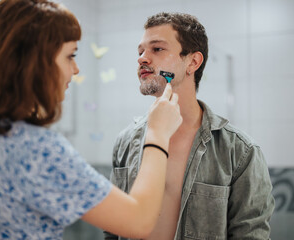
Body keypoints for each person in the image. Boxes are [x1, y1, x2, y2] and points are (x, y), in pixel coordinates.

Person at [0, 1, 183, 239]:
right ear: (33, 62)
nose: (76, 69)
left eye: (157, 49)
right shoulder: (35, 150)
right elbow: (139, 221)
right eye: (70, 56)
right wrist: (157, 134)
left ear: (193, 62)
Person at [105, 12, 275, 240]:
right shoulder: (125, 142)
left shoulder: (240, 152)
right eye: (140, 51)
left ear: (193, 62)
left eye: (157, 49)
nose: (142, 58)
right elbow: (113, 228)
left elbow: (250, 235)